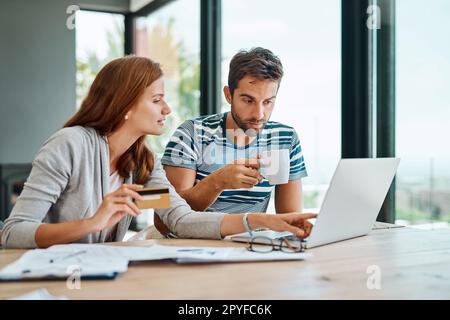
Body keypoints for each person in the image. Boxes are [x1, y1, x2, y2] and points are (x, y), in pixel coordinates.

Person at [1, 56, 315, 249]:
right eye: (157, 100)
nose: (167, 108)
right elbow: (13, 233)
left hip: (95, 276)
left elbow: (179, 220)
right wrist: (92, 223)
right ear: (124, 105)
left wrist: (266, 222)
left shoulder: (142, 163)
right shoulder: (69, 145)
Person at [159, 48, 307, 234]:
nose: (259, 114)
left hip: (249, 248)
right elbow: (164, 221)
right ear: (228, 95)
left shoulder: (283, 138)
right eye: (248, 100)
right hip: (195, 245)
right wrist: (217, 182)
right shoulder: (192, 134)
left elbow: (289, 220)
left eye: (268, 102)